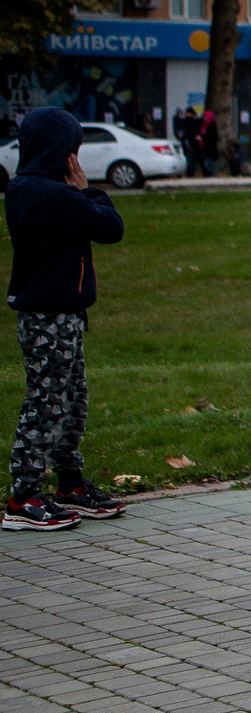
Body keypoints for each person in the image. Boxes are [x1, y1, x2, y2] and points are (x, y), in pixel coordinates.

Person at [5, 108, 128, 532]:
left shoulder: (24, 188)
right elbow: (110, 227)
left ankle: (70, 484)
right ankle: (23, 497)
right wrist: (88, 190)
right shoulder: (50, 194)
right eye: (74, 149)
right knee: (47, 404)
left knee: (71, 402)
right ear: (62, 152)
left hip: (61, 315)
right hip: (50, 318)